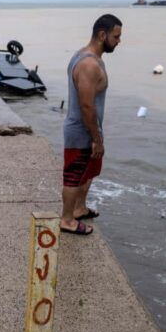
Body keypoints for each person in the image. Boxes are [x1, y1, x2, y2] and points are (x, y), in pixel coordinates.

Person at [61, 14, 122, 235]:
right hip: (81, 130)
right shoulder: (88, 64)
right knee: (74, 176)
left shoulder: (87, 57)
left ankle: (78, 208)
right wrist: (96, 139)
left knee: (89, 171)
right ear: (102, 34)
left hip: (89, 129)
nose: (118, 41)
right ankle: (67, 220)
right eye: (116, 36)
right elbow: (86, 106)